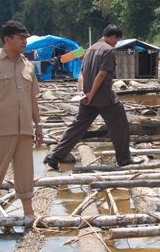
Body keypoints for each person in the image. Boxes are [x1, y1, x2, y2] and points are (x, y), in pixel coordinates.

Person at [43, 25, 142, 169]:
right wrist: (92, 94)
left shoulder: (89, 50)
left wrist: (82, 92)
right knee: (120, 126)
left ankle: (55, 155)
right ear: (113, 37)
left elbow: (81, 74)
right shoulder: (108, 50)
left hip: (87, 98)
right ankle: (124, 159)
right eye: (117, 39)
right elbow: (102, 74)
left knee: (77, 127)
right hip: (104, 98)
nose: (116, 42)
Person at [0, 20, 43, 217]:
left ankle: (28, 212)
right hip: (0, 127)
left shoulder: (28, 66)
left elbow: (32, 99)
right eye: (20, 38)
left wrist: (38, 125)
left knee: (25, 171)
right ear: (7, 39)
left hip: (24, 128)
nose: (25, 42)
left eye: (25, 38)